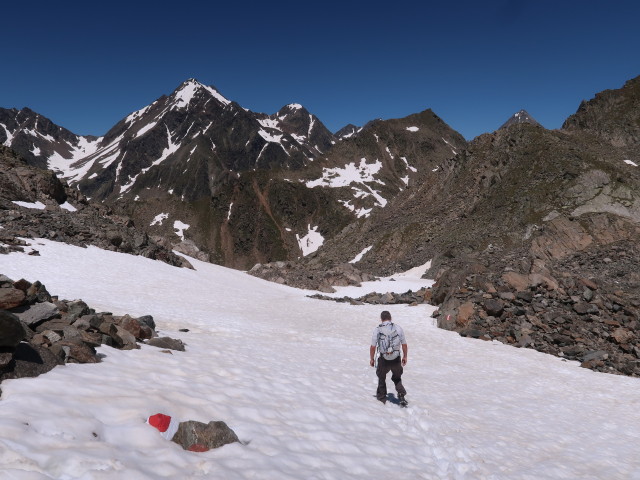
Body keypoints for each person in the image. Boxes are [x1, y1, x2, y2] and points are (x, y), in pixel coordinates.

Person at [370, 310, 408, 405]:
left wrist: (372, 359)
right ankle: (401, 394)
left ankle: (382, 398)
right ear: (391, 318)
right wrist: (405, 356)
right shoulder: (398, 328)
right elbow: (404, 344)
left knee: (381, 377)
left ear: (381, 319)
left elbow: (373, 346)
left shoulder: (377, 330)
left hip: (383, 358)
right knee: (397, 377)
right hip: (396, 358)